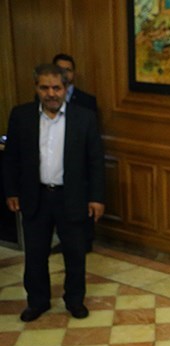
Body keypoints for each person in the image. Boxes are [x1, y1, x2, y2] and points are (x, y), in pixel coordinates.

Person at [3, 63, 105, 322]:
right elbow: (11, 158)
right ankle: (37, 302)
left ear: (65, 88)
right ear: (36, 88)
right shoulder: (21, 116)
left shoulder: (84, 118)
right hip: (35, 197)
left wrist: (96, 198)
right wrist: (11, 191)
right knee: (35, 255)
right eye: (44, 88)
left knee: (75, 255)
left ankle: (74, 301)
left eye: (56, 88)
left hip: (71, 198)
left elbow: (95, 161)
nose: (51, 94)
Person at [52, 53, 98, 253]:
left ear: (74, 73)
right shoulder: (43, 100)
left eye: (68, 70)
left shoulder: (86, 101)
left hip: (79, 170)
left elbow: (93, 145)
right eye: (59, 69)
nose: (64, 74)